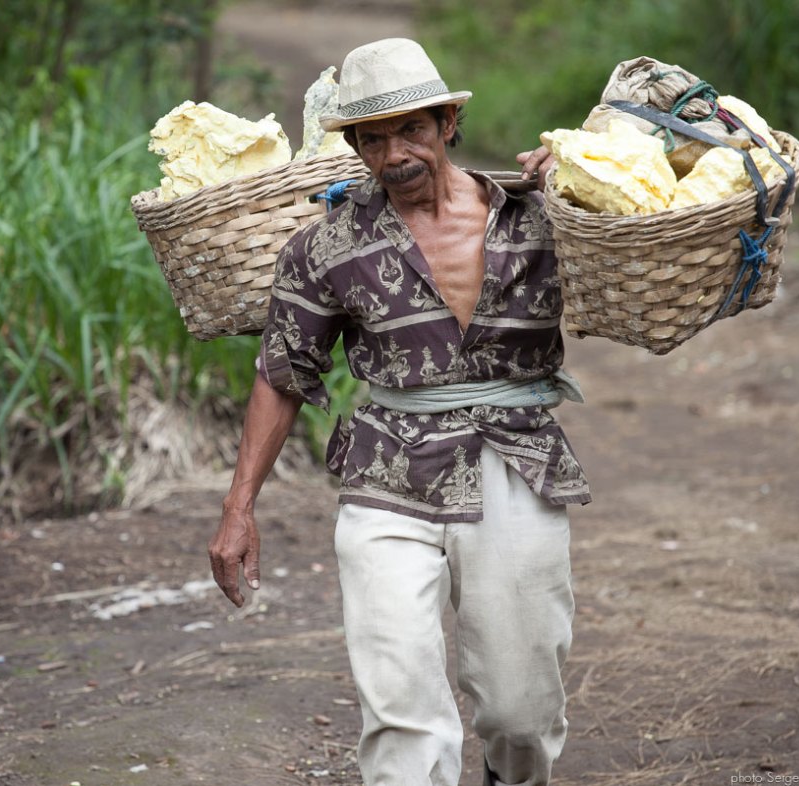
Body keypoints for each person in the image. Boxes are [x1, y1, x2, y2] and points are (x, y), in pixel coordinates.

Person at [209, 37, 589, 786]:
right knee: (401, 712)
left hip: (514, 460)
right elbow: (283, 372)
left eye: (411, 129)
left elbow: (650, 236)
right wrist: (238, 506)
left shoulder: (539, 219)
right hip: (387, 471)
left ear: (447, 123)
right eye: (373, 139)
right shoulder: (326, 247)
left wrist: (580, 183)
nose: (394, 155)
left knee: (521, 714)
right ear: (355, 146)